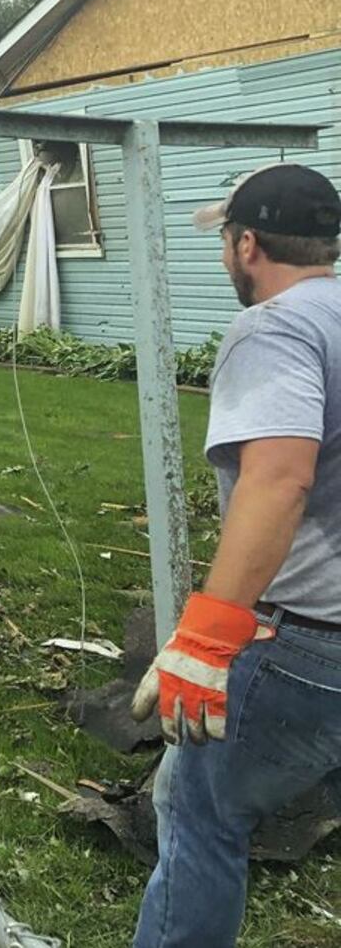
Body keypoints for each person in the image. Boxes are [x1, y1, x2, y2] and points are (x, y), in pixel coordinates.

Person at [129, 163, 341, 948]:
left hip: (305, 639)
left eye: (225, 236)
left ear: (247, 243)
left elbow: (280, 478)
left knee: (198, 813)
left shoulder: (277, 327)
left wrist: (208, 636)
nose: (225, 252)